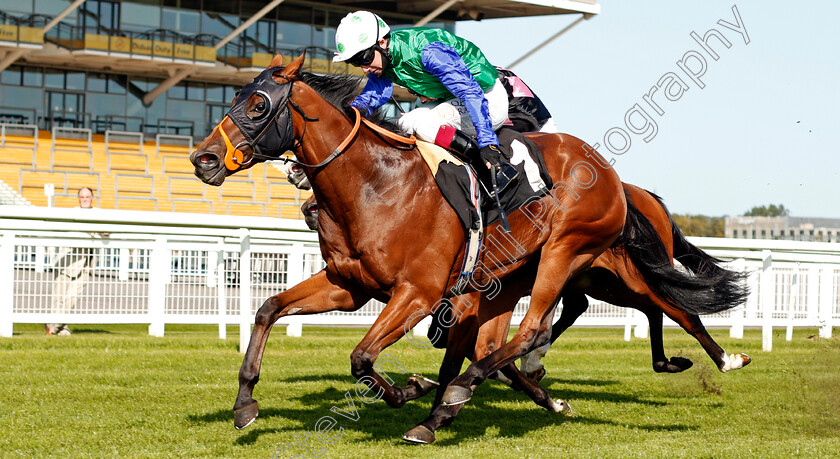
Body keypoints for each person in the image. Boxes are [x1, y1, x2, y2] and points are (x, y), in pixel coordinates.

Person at [333, 11, 506, 171]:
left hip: (486, 98)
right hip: (451, 99)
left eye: (364, 58)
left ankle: (484, 164)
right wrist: (348, 114)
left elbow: (470, 92)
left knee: (415, 123)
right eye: (356, 62)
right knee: (396, 126)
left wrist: (487, 142)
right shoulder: (385, 57)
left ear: (382, 42)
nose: (364, 68)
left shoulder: (429, 52)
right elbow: (376, 93)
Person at [46, 187, 102, 335]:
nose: (84, 199)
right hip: (67, 262)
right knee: (59, 298)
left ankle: (53, 328)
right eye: (82, 197)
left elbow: (106, 230)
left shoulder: (98, 213)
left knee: (72, 298)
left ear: (92, 198)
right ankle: (60, 328)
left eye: (87, 197)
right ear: (78, 198)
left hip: (85, 264)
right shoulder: (73, 212)